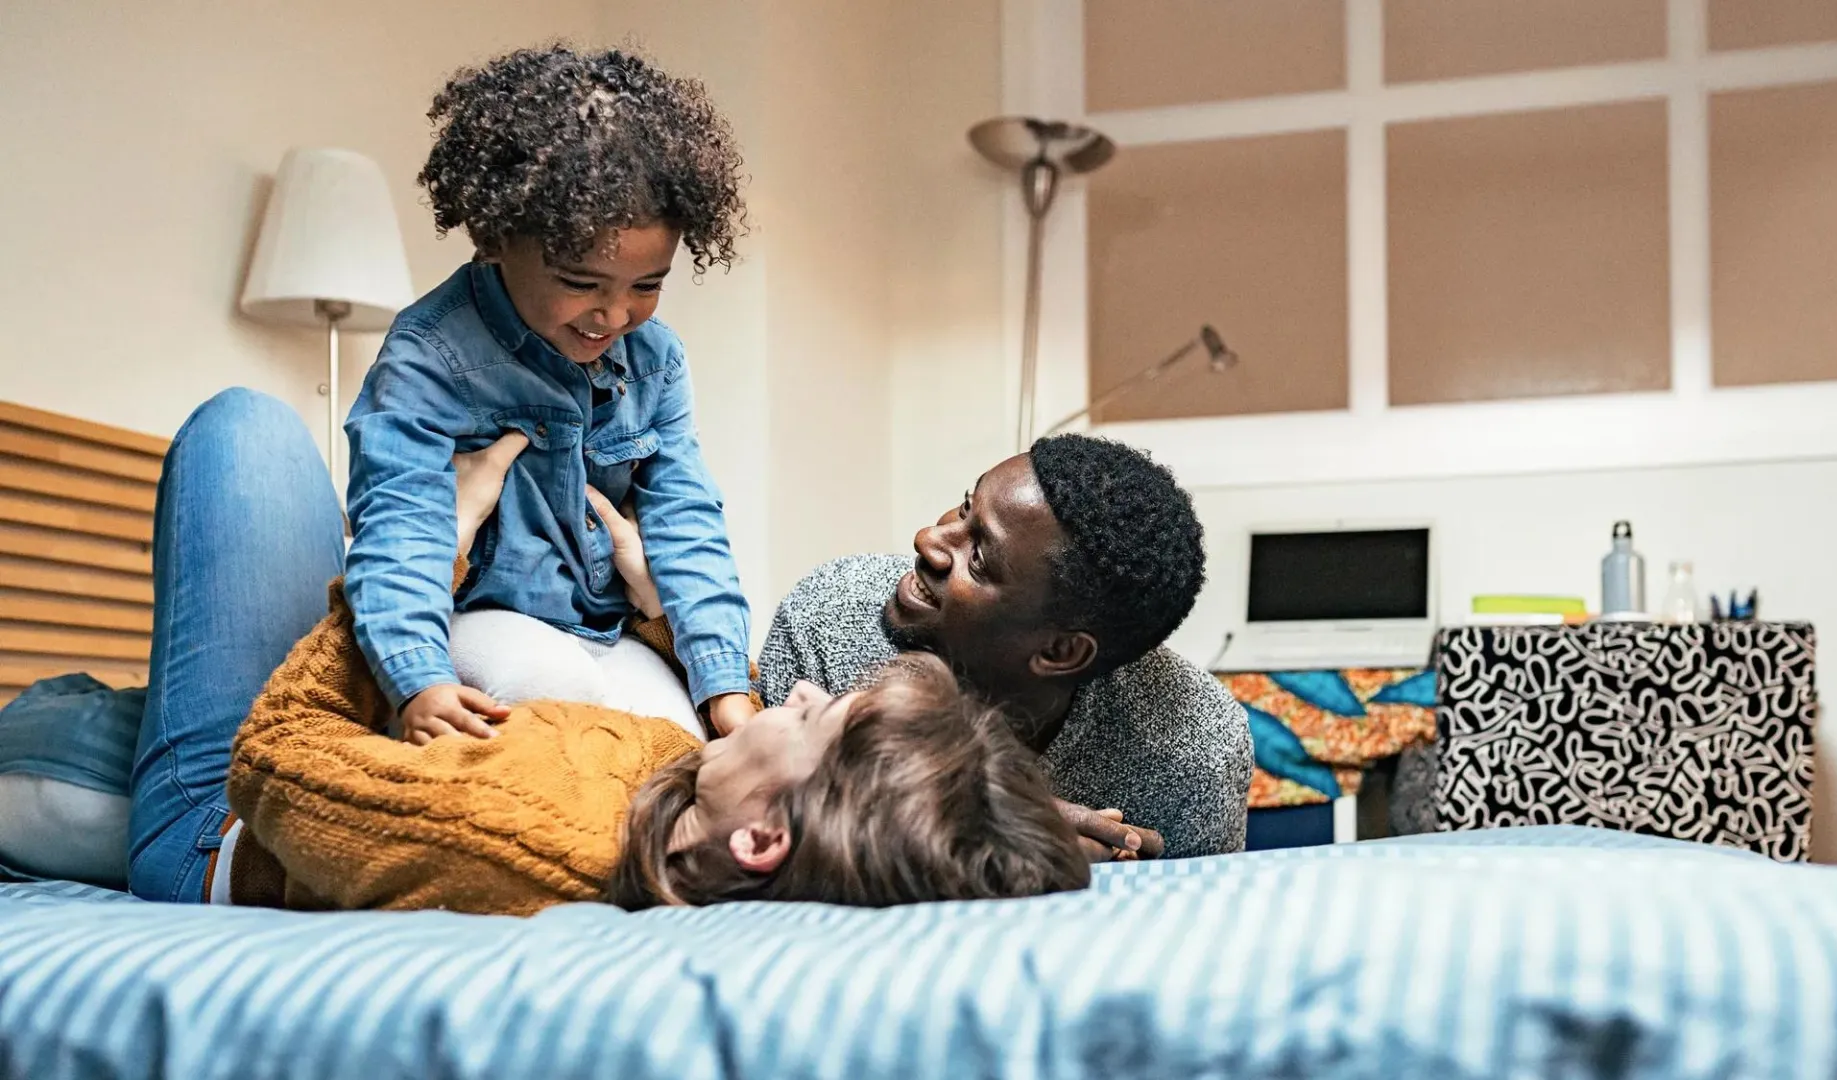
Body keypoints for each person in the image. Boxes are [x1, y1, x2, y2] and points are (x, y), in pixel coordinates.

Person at [128, 389, 1088, 913]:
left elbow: (278, 758)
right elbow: (732, 743)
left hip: (222, 824)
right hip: (395, 732)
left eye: (811, 713)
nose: (793, 686)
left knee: (244, 432)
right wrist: (656, 612)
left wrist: (431, 561)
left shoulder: (513, 832)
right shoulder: (710, 818)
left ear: (763, 840)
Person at [346, 44, 758, 751]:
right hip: (483, 622)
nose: (614, 316)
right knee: (547, 698)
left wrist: (727, 688)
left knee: (681, 747)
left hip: (607, 628)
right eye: (582, 282)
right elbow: (403, 529)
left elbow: (687, 521)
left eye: (646, 286)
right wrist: (417, 679)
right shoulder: (429, 357)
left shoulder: (656, 362)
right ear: (498, 237)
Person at [758, 434, 1253, 860]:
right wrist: (993, 829)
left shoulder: (1193, 748)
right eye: (966, 506)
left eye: (978, 559)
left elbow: (1192, 936)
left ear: (1060, 653)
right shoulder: (831, 619)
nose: (929, 539)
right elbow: (752, 843)